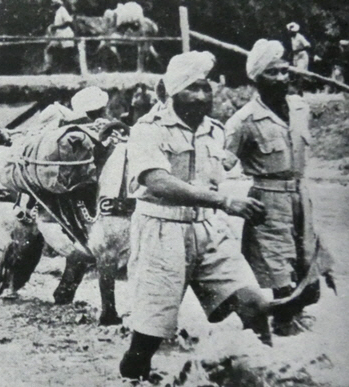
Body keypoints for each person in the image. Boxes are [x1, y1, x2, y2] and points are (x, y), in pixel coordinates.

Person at [120, 51, 272, 382]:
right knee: (151, 331)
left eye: (206, 88)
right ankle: (132, 376)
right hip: (161, 231)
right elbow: (157, 181)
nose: (201, 96)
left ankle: (270, 372)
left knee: (254, 304)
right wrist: (224, 201)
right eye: (192, 88)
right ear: (172, 92)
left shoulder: (215, 132)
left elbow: (226, 170)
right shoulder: (148, 129)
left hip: (208, 229)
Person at [224, 39, 335, 337]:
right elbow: (220, 165)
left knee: (308, 266)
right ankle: (282, 326)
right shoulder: (242, 121)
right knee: (277, 269)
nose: (282, 78)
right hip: (267, 199)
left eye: (284, 71)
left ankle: (288, 315)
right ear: (256, 78)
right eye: (272, 73)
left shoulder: (300, 108)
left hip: (301, 194)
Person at [43, 0, 76, 74]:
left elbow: (68, 22)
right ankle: (48, 67)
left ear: (57, 4)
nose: (52, 5)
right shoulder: (57, 12)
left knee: (68, 53)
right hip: (58, 35)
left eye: (53, 3)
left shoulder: (62, 10)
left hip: (66, 34)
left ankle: (72, 71)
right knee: (49, 49)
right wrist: (54, 28)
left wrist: (56, 27)